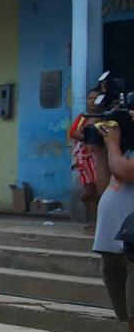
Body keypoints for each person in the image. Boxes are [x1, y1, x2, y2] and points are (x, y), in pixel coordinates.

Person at [93, 113, 134, 332]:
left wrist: (113, 143)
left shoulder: (122, 154)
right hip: (113, 247)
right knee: (130, 317)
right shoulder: (121, 152)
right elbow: (104, 183)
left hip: (132, 250)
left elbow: (125, 172)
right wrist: (98, 149)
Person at [70, 89, 101, 232]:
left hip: (98, 159)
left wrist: (85, 134)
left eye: (95, 98)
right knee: (90, 194)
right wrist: (88, 136)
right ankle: (92, 222)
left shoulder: (103, 116)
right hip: (83, 160)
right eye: (90, 98)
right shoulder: (83, 117)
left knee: (97, 193)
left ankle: (97, 224)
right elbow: (72, 132)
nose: (92, 101)